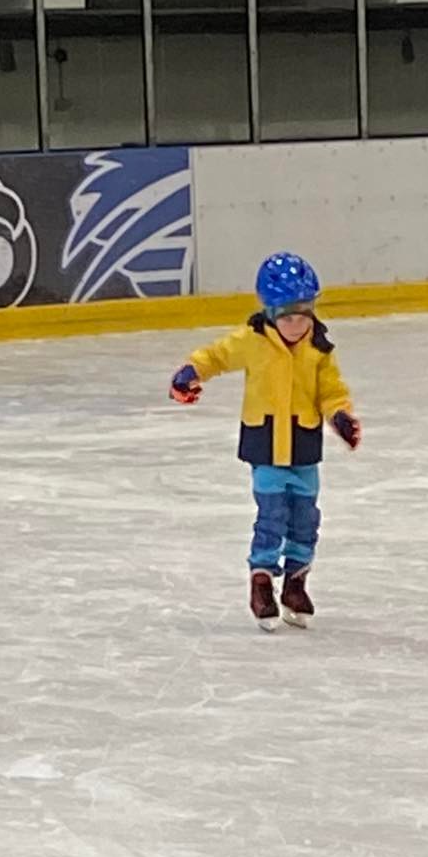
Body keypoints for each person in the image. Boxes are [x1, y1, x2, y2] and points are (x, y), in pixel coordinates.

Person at [169, 253, 362, 630]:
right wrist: (191, 372)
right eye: (288, 317)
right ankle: (261, 583)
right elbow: (216, 356)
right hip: (266, 445)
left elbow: (331, 391)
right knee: (272, 515)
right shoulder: (252, 341)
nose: (297, 325)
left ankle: (295, 584)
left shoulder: (319, 348)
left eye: (304, 314)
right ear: (270, 313)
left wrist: (340, 416)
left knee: (305, 519)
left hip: (303, 446)